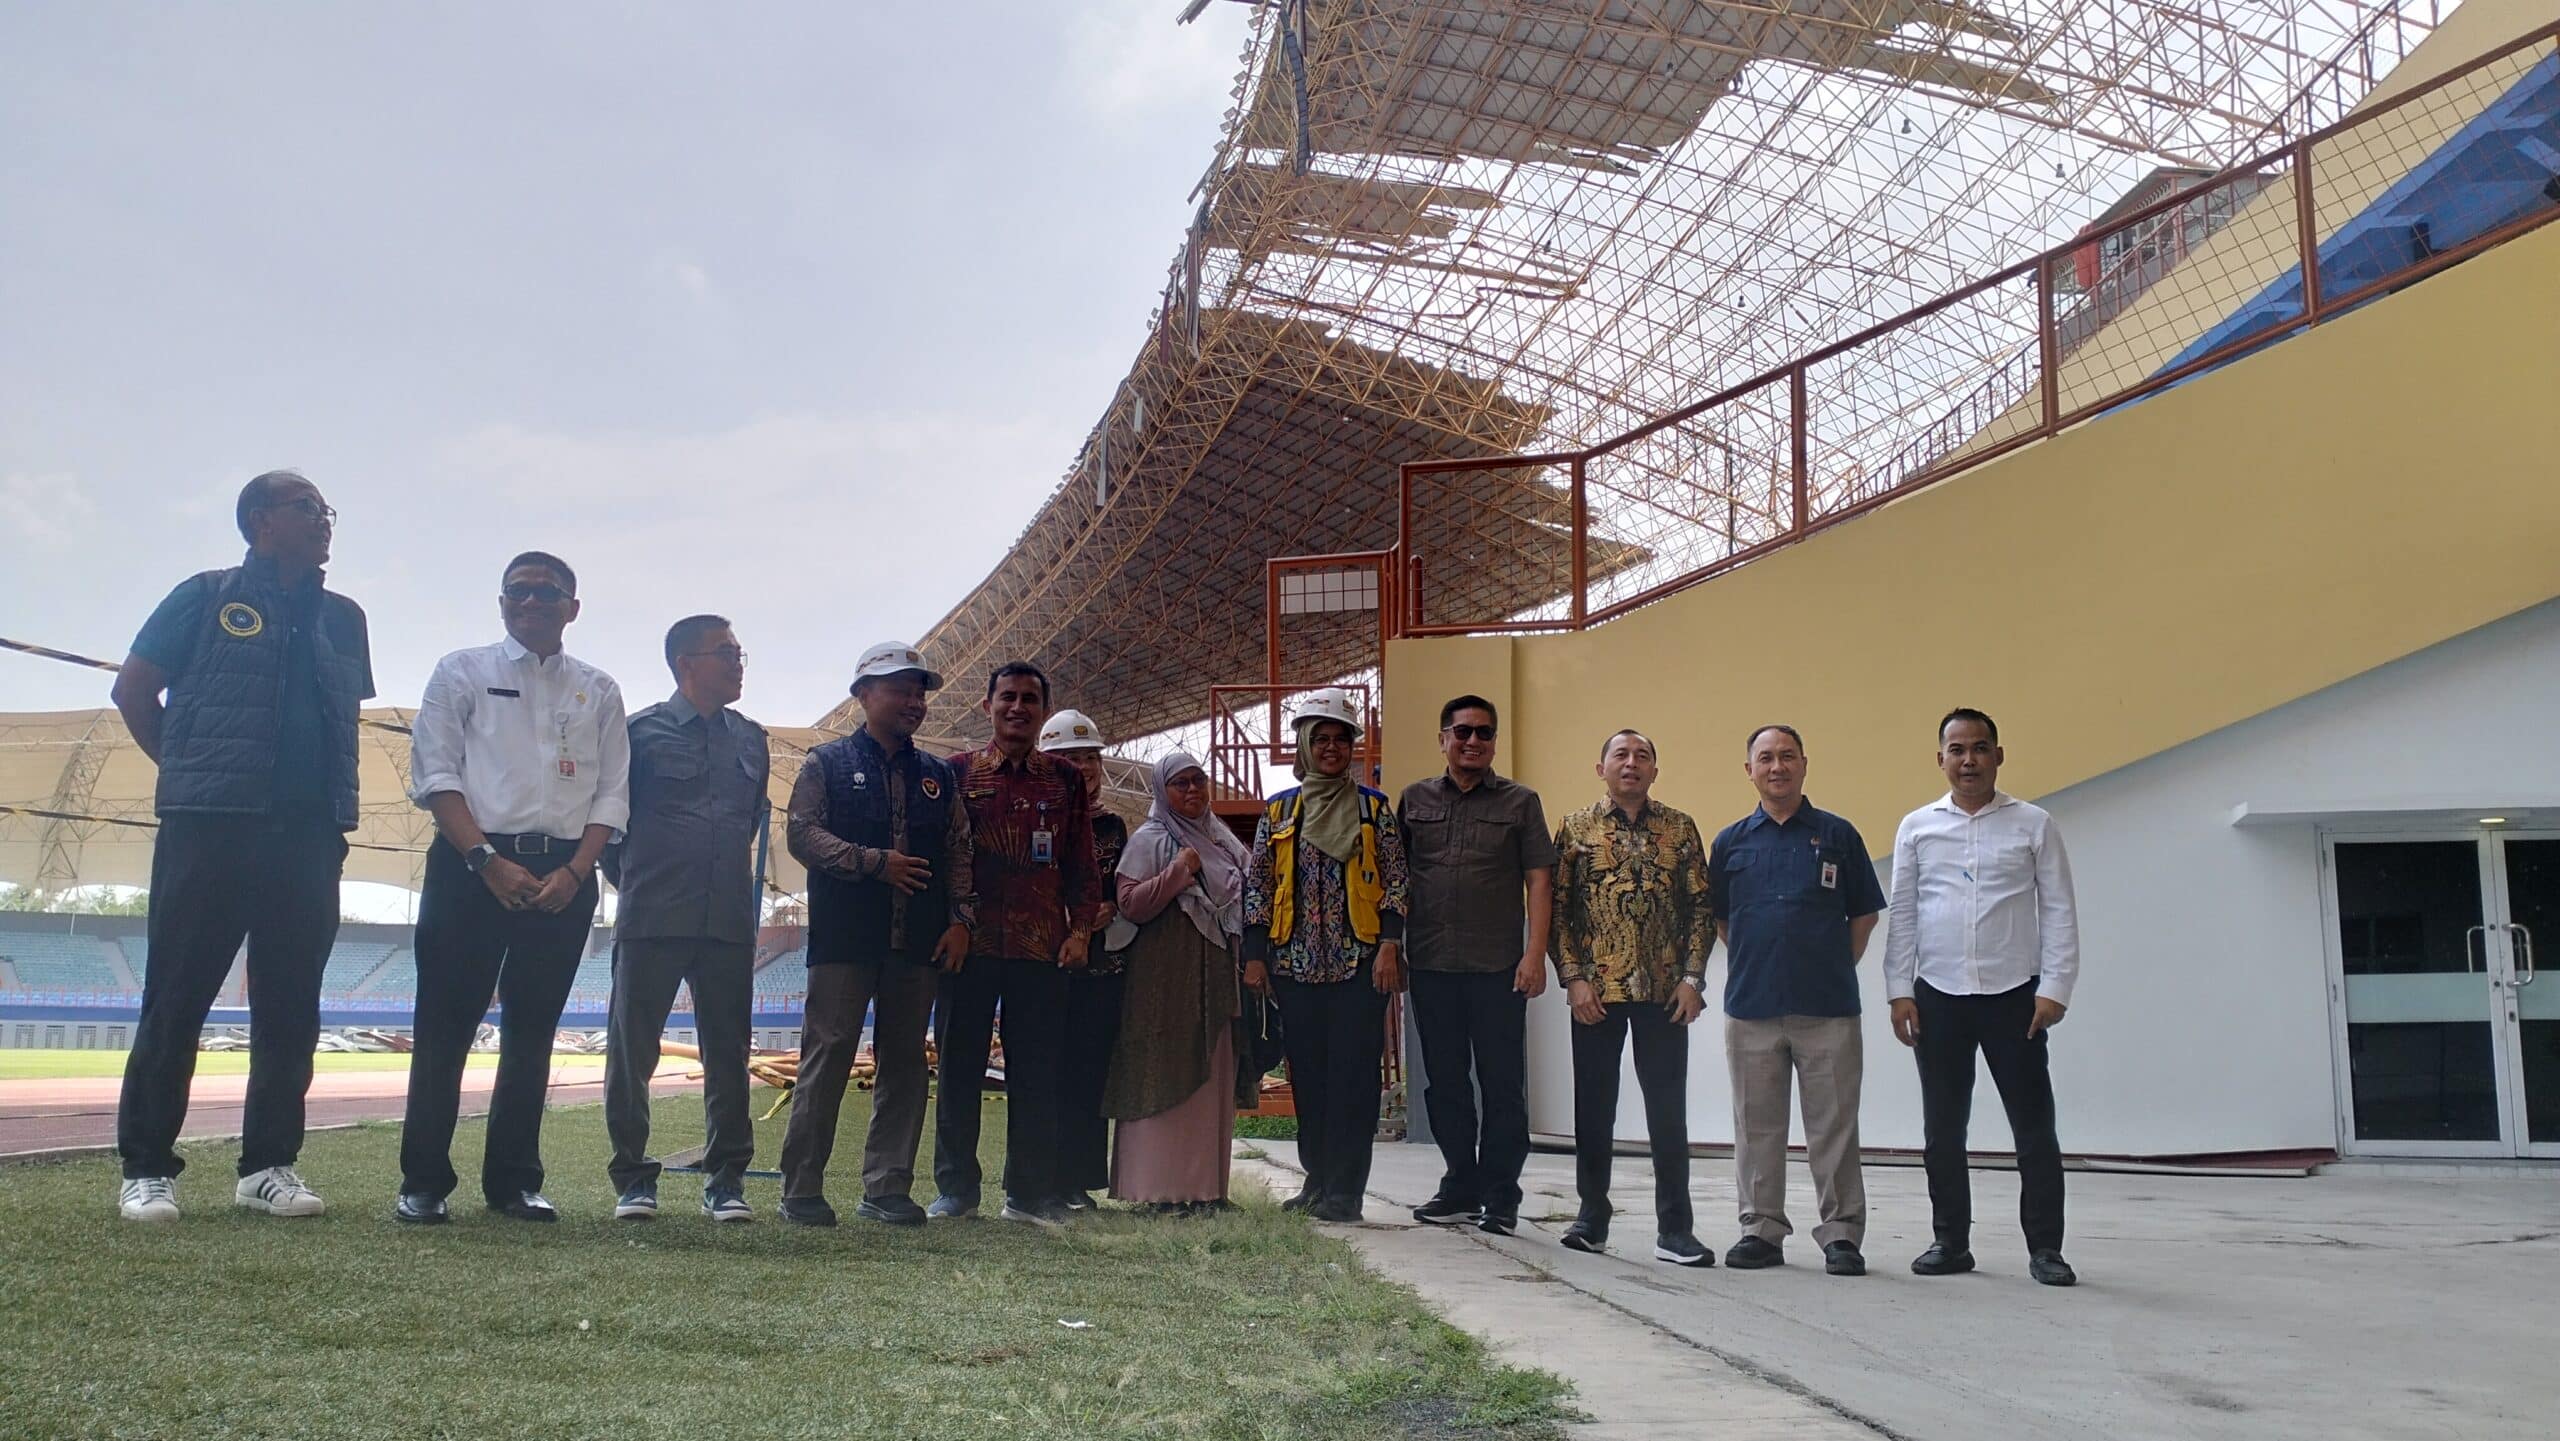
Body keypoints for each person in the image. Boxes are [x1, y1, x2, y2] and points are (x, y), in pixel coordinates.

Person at [108, 470, 372, 1222]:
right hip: (210, 829)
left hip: (309, 837)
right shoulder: (204, 595)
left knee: (291, 1006)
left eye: (327, 509)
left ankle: (268, 1165)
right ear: (260, 520)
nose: (324, 519)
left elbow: (337, 720)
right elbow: (133, 690)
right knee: (178, 998)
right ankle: (147, 1167)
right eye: (307, 507)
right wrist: (192, 771)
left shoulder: (345, 618)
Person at [396, 552, 629, 1225]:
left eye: (546, 592)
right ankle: (424, 1181)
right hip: (472, 867)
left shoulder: (599, 690)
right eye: (518, 592)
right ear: (501, 603)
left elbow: (612, 792)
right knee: (444, 1028)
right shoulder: (461, 671)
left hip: (564, 874)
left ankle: (514, 1180)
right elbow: (436, 775)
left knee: (532, 1033)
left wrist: (578, 871)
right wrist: (485, 860)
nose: (531, 602)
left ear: (572, 607)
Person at [778, 643, 973, 1228]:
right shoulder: (826, 763)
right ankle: (801, 1189)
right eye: (900, 689)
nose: (914, 701)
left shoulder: (938, 775)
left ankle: (887, 1187)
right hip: (845, 939)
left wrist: (963, 919)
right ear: (862, 694)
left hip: (918, 942)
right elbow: (801, 835)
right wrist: (871, 862)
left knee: (907, 1066)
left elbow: (960, 849)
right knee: (827, 1056)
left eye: (919, 692)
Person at [1886, 708, 2081, 1287]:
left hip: (2014, 999)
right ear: (1940, 758)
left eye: (1980, 748)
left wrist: (2055, 988)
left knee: (2034, 1128)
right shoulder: (1917, 827)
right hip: (1937, 997)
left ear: (1999, 755)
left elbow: (2060, 909)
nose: (1968, 759)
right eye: (1957, 749)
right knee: (1943, 1129)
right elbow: (1903, 915)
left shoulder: (2034, 824)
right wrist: (1900, 991)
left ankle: (2046, 1248)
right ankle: (1950, 1241)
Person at [602, 615, 771, 1224]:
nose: (738, 661)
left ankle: (725, 1180)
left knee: (729, 1054)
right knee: (632, 1051)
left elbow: (750, 819)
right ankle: (633, 1178)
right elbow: (607, 830)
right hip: (651, 915)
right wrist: (645, 883)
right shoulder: (638, 735)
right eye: (726, 652)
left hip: (726, 920)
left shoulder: (752, 740)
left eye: (739, 650)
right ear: (685, 664)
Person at [932, 661, 1106, 1226]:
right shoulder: (956, 774)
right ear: (988, 706)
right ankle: (956, 1191)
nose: (1018, 707)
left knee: (1036, 1071)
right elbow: (942, 859)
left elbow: (1082, 864)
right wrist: (950, 921)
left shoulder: (1064, 780)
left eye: (1030, 698)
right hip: (969, 943)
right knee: (960, 1068)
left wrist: (1080, 932)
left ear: (1042, 710)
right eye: (1007, 696)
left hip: (1041, 947)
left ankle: (1027, 1195)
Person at [1709, 724, 1885, 1274]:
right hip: (1752, 1007)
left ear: (1805, 764)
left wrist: (1826, 963)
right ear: (1749, 770)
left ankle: (1841, 1235)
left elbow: (1864, 915)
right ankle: (1761, 1229)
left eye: (1787, 756)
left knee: (1832, 1127)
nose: (1777, 767)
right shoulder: (1730, 841)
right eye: (1766, 758)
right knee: (1755, 1125)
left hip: (1828, 1007)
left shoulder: (1838, 835)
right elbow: (1721, 920)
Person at [1244, 688, 1409, 1224]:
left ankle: (1346, 1191)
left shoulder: (1373, 808)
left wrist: (1389, 944)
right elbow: (1259, 887)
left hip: (1358, 967)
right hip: (1294, 967)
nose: (1333, 748)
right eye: (1322, 739)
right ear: (1304, 746)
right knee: (1310, 1078)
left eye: (1341, 739)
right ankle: (1316, 1180)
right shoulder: (1280, 810)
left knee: (1355, 1080)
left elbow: (1396, 881)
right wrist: (1256, 955)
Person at [1549, 729, 1713, 1266]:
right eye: (1621, 755)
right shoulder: (1575, 829)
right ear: (1601, 768)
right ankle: (1591, 1218)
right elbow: (1558, 912)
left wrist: (1693, 979)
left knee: (1668, 1112)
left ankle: (1675, 1229)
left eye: (1642, 756)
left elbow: (1700, 911)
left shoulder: (1680, 828)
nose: (1631, 763)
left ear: (1654, 771)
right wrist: (1573, 979)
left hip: (1666, 993)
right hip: (1596, 992)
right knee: (1593, 1110)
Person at [1397, 694, 1556, 1236]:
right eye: (1462, 732)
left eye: (1483, 733)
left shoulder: (1520, 802)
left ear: (1494, 742)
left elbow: (1539, 879)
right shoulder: (1414, 798)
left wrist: (1534, 955)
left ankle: (1501, 1193)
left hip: (1498, 968)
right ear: (1443, 739)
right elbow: (1397, 880)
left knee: (1502, 1085)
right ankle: (1459, 1181)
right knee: (1444, 1084)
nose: (1472, 741)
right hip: (1433, 965)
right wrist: (1392, 946)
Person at [1105, 751, 1250, 1213]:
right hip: (1164, 977)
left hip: (1215, 972)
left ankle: (1207, 1190)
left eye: (1198, 781)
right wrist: (1177, 872)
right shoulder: (1151, 838)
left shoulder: (1222, 839)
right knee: (1162, 1067)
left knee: (1212, 1072)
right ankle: (1159, 1190)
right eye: (1180, 783)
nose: (1192, 791)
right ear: (1161, 791)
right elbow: (1130, 903)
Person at [1040, 708, 1127, 1212]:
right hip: (1045, 964)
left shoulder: (1114, 825)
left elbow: (1122, 887)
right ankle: (1042, 1176)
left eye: (1089, 757)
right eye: (1070, 758)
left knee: (1088, 1075)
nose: (1083, 767)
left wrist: (1109, 904)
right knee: (1045, 1073)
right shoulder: (1035, 816)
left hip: (1101, 971)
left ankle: (1078, 1181)